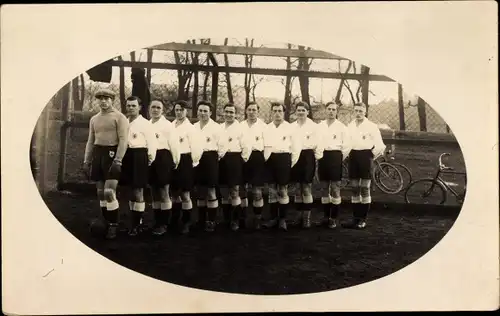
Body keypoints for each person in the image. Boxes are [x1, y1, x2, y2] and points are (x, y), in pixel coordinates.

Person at [83, 88, 129, 239]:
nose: (103, 101)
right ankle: (105, 221)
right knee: (101, 193)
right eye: (100, 98)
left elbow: (123, 141)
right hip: (98, 154)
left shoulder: (120, 117)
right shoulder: (94, 119)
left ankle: (113, 225)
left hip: (112, 155)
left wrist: (118, 160)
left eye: (107, 98)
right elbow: (90, 141)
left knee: (110, 192)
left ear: (112, 100)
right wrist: (86, 160)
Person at [343, 102, 385, 229]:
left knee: (364, 187)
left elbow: (380, 145)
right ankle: (355, 219)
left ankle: (363, 219)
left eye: (361, 111)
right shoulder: (350, 126)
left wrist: (370, 155)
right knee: (355, 187)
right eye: (356, 111)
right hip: (353, 156)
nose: (358, 113)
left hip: (366, 156)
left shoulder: (372, 126)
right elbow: (346, 143)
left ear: (365, 112)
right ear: (353, 112)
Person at [120, 96, 157, 236]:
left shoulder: (145, 124)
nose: (130, 108)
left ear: (140, 107)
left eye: (133, 106)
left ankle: (137, 224)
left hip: (139, 156)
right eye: (128, 105)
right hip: (126, 155)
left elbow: (152, 143)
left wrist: (150, 159)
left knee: (138, 190)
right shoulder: (124, 121)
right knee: (130, 190)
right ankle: (133, 221)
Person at [263, 102, 301, 231]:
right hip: (270, 159)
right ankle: (273, 218)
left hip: (284, 159)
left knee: (282, 190)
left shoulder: (291, 128)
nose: (277, 113)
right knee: (272, 191)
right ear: (271, 112)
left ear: (284, 112)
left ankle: (283, 219)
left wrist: (291, 163)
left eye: (280, 111)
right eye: (275, 111)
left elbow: (296, 148)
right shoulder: (267, 128)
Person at [193, 100, 227, 233]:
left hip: (211, 159)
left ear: (211, 113)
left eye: (205, 111)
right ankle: (201, 220)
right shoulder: (194, 127)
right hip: (196, 159)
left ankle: (211, 220)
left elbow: (222, 147)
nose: (202, 113)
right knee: (200, 190)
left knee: (211, 190)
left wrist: (214, 159)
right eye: (200, 110)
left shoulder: (216, 128)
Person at [148, 100, 181, 236]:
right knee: (153, 191)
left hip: (163, 158)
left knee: (163, 191)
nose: (155, 110)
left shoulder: (167, 125)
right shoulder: (147, 124)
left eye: (158, 107)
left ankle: (164, 223)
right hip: (151, 158)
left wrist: (175, 160)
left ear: (163, 110)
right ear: (149, 109)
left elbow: (174, 145)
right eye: (153, 107)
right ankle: (157, 221)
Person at [317, 101, 351, 229]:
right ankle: (326, 216)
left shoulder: (342, 127)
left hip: (336, 156)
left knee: (335, 188)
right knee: (324, 187)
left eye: (333, 109)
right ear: (325, 110)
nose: (331, 111)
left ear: (337, 112)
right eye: (329, 109)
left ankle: (333, 218)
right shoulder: (319, 126)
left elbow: (347, 146)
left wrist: (339, 158)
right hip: (323, 157)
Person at [171, 100, 203, 234]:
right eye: (177, 109)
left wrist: (192, 163)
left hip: (185, 161)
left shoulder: (191, 128)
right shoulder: (171, 125)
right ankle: (174, 220)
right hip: (172, 160)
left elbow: (196, 149)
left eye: (181, 110)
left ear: (187, 111)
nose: (179, 112)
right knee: (173, 193)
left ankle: (186, 222)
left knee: (185, 193)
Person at [290, 101, 323, 228]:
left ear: (308, 112)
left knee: (306, 188)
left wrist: (316, 158)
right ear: (296, 112)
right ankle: (298, 217)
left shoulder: (314, 127)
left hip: (308, 157)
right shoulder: (292, 126)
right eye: (298, 110)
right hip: (295, 157)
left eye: (303, 110)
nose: (301, 112)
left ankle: (306, 219)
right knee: (297, 189)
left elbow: (319, 145)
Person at [219, 103, 251, 231]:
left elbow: (247, 148)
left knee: (235, 190)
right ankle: (226, 218)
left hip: (235, 159)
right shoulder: (219, 127)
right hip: (222, 160)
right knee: (224, 191)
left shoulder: (241, 128)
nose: (229, 114)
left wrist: (240, 161)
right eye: (226, 112)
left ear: (236, 114)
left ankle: (235, 220)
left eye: (231, 112)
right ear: (223, 112)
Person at [239, 101, 269, 229]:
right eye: (249, 110)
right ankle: (243, 218)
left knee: (257, 191)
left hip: (257, 158)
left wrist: (264, 159)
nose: (251, 112)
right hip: (242, 158)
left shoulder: (263, 126)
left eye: (254, 110)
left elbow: (268, 145)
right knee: (242, 190)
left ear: (258, 111)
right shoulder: (240, 125)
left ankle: (257, 219)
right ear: (246, 111)